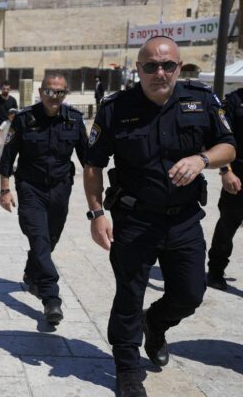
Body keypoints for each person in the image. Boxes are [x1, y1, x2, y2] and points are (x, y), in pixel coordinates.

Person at [83, 36, 235, 397]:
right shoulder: (115, 107)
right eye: (150, 65)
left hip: (183, 219)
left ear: (179, 67)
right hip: (134, 219)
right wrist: (96, 213)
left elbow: (228, 145)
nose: (159, 72)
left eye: (168, 65)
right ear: (138, 69)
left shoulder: (201, 99)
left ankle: (156, 323)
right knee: (129, 294)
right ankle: (127, 370)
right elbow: (93, 165)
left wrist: (202, 160)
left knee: (191, 293)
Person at [0, 72, 87, 326]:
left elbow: (88, 159)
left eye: (59, 92)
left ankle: (32, 272)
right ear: (40, 92)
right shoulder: (25, 119)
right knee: (38, 237)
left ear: (65, 93)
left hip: (60, 188)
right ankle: (51, 298)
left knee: (50, 239)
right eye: (49, 91)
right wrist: (5, 190)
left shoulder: (74, 120)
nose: (53, 96)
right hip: (30, 188)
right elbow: (7, 158)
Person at [206, 87, 243, 291]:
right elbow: (221, 139)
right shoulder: (234, 101)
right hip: (239, 173)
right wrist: (226, 171)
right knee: (228, 225)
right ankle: (216, 271)